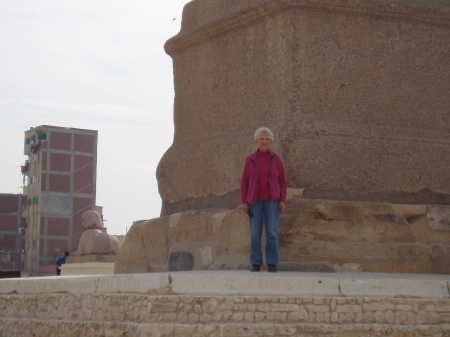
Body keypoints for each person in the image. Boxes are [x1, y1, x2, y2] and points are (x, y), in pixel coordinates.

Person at [240, 127, 287, 272]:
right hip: (255, 201)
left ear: (271, 141)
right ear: (256, 141)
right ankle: (256, 263)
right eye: (261, 139)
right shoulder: (250, 159)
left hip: (272, 201)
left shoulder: (276, 159)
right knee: (255, 233)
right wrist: (244, 201)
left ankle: (272, 263)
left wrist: (282, 199)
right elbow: (244, 182)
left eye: (267, 139)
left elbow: (282, 181)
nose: (264, 142)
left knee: (272, 232)